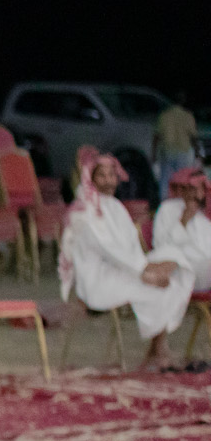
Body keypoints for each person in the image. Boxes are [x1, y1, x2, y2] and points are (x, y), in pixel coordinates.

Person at [60, 154, 194, 369]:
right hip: (98, 280)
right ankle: (158, 349)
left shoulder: (115, 206)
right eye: (102, 176)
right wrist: (145, 271)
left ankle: (156, 349)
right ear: (91, 179)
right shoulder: (84, 210)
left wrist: (147, 268)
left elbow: (131, 247)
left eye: (112, 175)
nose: (108, 180)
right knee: (159, 287)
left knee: (173, 259)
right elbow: (110, 251)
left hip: (124, 270)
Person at [153, 165, 211, 294]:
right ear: (182, 189)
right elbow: (161, 246)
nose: (196, 194)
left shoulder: (205, 215)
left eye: (200, 189)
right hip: (181, 269)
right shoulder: (167, 209)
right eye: (192, 189)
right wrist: (183, 221)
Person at [154, 94, 199, 198]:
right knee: (183, 178)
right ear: (183, 101)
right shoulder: (187, 115)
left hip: (167, 151)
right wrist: (197, 152)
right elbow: (194, 137)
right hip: (183, 151)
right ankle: (181, 200)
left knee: (165, 179)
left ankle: (164, 201)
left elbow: (157, 136)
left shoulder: (164, 115)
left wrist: (154, 154)